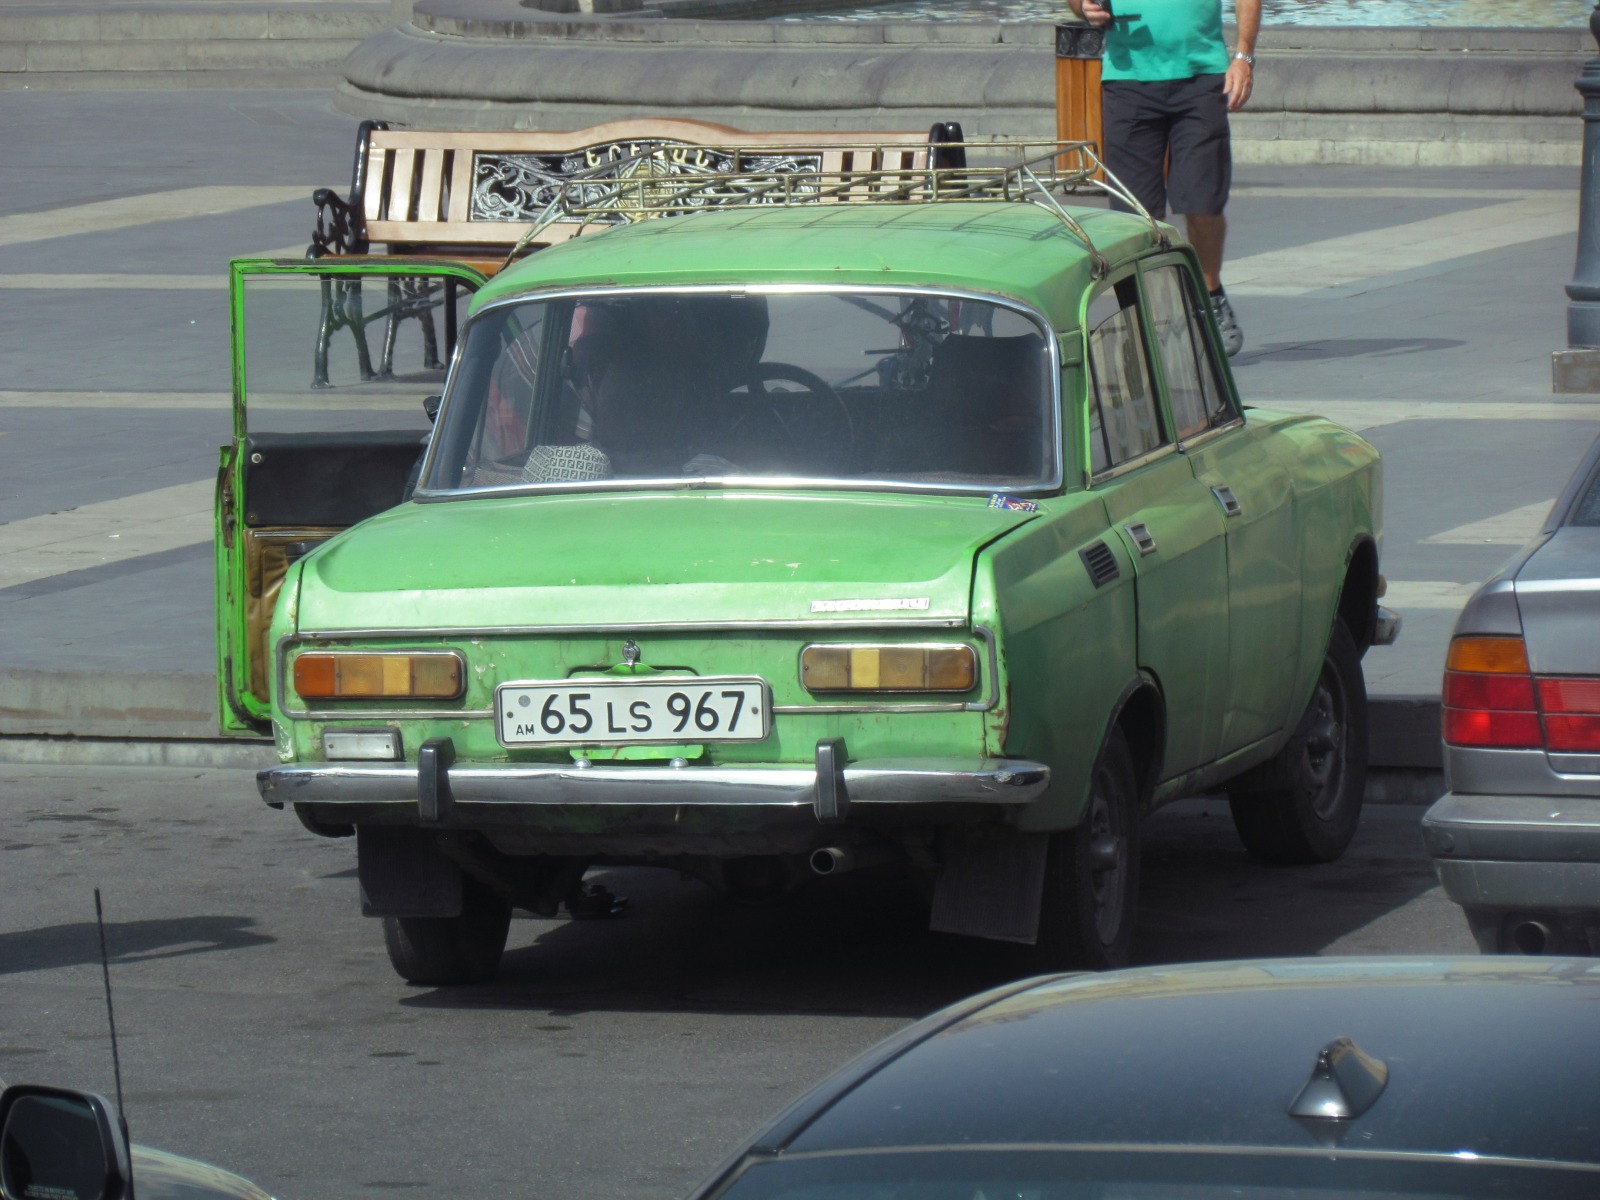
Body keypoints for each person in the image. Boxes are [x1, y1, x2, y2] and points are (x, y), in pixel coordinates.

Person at [1069, 0, 1260, 356]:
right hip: (1128, 79)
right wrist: (1084, 7)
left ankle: (1211, 298)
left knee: (1203, 203)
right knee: (1133, 216)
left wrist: (1243, 57)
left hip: (1201, 76)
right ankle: (1142, 319)